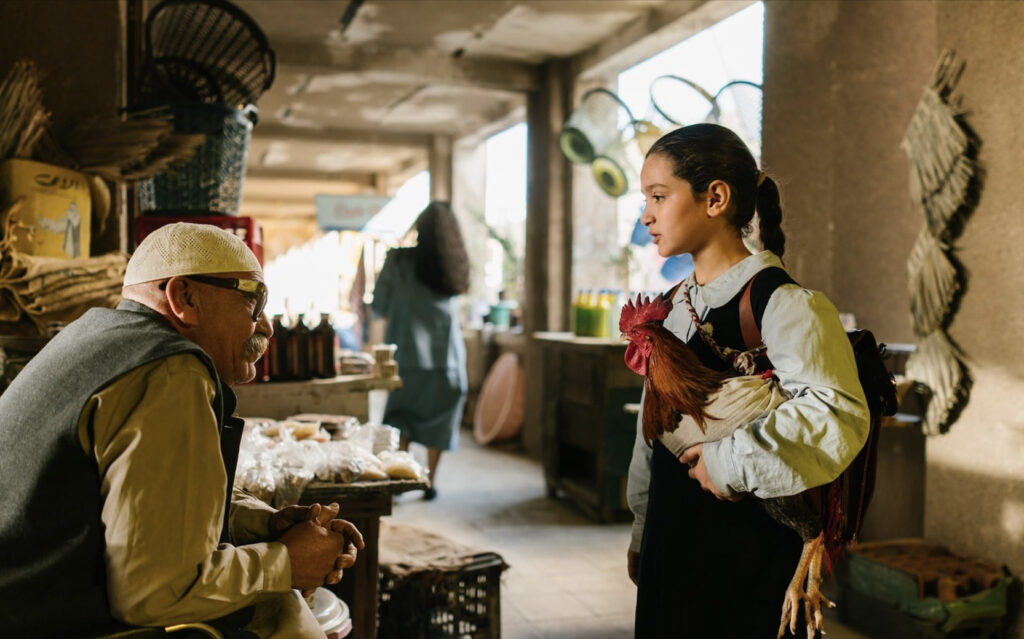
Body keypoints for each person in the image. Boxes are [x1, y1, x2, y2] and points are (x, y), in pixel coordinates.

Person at [0, 222, 364, 639]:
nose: (266, 328)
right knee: (282, 610)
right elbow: (152, 592)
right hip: (38, 620)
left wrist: (265, 524)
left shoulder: (94, 336)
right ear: (184, 298)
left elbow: (148, 503)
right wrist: (287, 563)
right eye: (253, 302)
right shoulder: (171, 371)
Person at [625, 123, 870, 637]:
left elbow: (836, 411)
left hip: (749, 550)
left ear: (715, 197)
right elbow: (651, 437)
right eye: (645, 197)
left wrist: (727, 461)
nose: (646, 214)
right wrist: (643, 526)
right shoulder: (671, 309)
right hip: (674, 541)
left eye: (659, 196)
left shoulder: (782, 304)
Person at [371, 201, 469, 501]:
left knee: (402, 420)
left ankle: (403, 479)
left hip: (408, 358)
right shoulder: (454, 265)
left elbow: (379, 306)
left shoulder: (399, 261)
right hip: (448, 360)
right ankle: (429, 480)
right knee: (441, 422)